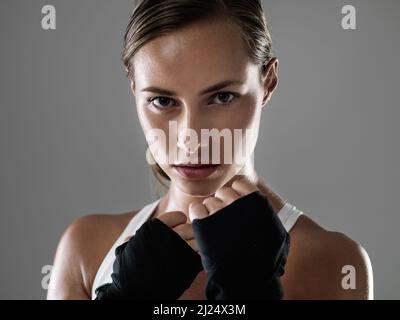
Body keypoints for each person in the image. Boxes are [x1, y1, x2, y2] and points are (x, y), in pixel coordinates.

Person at [47, 0, 373, 300]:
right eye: (162, 101)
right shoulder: (86, 249)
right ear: (135, 91)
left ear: (267, 83)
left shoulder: (335, 263)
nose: (191, 137)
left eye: (222, 97)